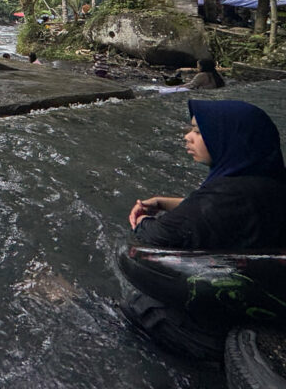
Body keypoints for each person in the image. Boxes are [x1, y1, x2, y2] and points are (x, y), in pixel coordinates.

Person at [123, 100, 286, 359]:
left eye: (198, 132)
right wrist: (165, 203)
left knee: (136, 305)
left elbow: (155, 236)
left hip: (213, 329)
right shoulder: (268, 181)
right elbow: (219, 211)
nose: (187, 137)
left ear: (229, 139)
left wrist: (141, 219)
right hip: (261, 306)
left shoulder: (226, 195)